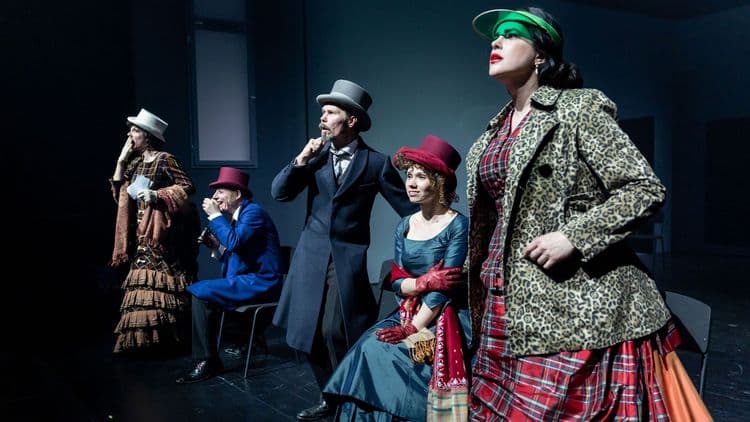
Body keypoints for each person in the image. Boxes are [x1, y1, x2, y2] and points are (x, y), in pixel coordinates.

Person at [466, 7, 682, 420]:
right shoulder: (493, 132)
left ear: (540, 54)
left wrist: (574, 237)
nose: (496, 41)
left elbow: (644, 189)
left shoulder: (577, 109)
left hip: (572, 302)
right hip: (501, 297)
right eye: (495, 36)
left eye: (511, 34)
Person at [271, 79, 418, 421]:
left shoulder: (376, 163)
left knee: (334, 330)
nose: (322, 118)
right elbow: (280, 193)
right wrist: (301, 159)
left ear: (351, 120)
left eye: (330, 112)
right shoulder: (316, 158)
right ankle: (329, 397)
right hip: (310, 256)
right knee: (307, 333)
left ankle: (350, 396)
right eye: (322, 112)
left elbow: (406, 208)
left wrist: (435, 229)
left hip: (346, 257)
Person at [323, 135, 472, 421]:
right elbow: (396, 280)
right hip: (408, 308)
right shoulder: (405, 224)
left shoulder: (457, 225)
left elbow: (443, 290)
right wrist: (422, 283)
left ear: (439, 183)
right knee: (367, 347)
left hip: (444, 312)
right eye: (409, 175)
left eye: (421, 177)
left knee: (395, 356)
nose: (411, 183)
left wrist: (412, 328)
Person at [176, 166, 283, 384]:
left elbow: (234, 242)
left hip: (262, 282)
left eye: (220, 191)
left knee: (200, 292)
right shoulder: (238, 217)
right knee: (205, 295)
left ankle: (208, 361)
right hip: (250, 279)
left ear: (238, 193)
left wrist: (215, 216)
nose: (215, 196)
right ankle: (246, 339)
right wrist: (216, 246)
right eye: (215, 192)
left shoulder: (252, 213)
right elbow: (237, 255)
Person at [110, 108, 200, 354]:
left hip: (161, 234)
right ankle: (144, 343)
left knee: (162, 285)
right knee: (141, 285)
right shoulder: (135, 163)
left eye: (135, 130)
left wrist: (157, 194)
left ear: (147, 136)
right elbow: (120, 194)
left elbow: (187, 186)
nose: (130, 135)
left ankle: (169, 341)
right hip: (141, 233)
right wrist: (121, 161)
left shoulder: (165, 159)